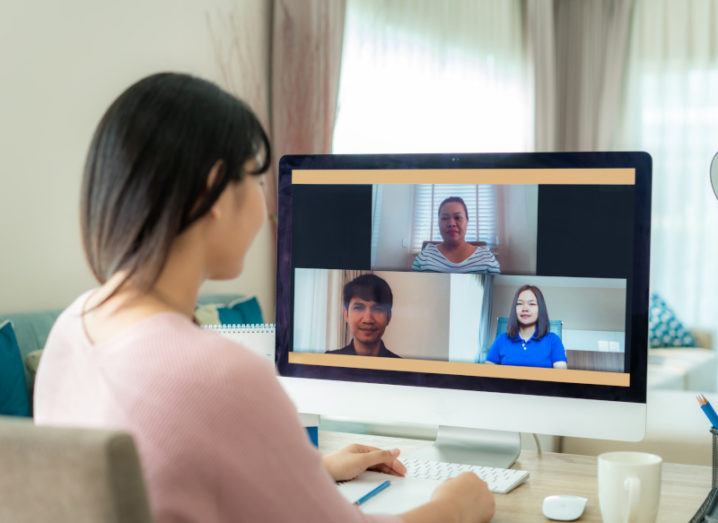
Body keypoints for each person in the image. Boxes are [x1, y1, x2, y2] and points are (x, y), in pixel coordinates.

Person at [33, 73, 494, 523]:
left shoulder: (72, 327)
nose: (265, 206)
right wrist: (454, 507)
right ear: (211, 191)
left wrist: (308, 471)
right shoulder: (220, 375)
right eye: (256, 181)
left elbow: (164, 475)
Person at [486, 285, 568, 369]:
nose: (525, 308)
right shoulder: (501, 339)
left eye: (531, 304)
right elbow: (486, 373)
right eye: (520, 303)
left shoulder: (553, 340)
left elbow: (561, 376)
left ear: (540, 309)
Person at [412, 196, 500, 273]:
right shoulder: (425, 255)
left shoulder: (486, 257)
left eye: (457, 217)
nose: (451, 223)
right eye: (445, 218)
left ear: (467, 221)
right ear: (438, 223)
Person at [327, 274, 400, 358]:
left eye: (377, 309)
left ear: (388, 316)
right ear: (346, 314)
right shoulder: (328, 362)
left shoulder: (403, 368)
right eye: (359, 308)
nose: (368, 319)